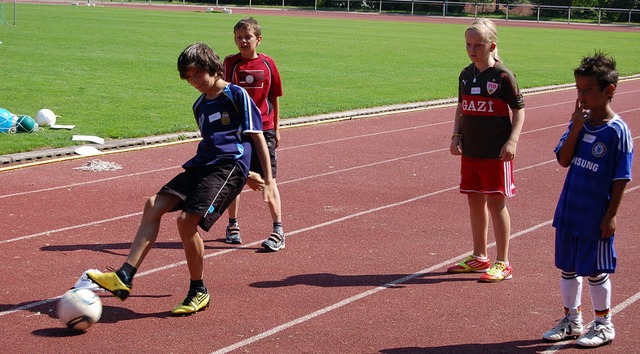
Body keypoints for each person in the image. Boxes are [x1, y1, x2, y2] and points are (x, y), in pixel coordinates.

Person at [86, 42, 275, 316]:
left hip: (227, 167)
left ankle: (198, 291)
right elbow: (214, 142)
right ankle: (124, 276)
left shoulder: (236, 95)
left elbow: (255, 136)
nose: (194, 81)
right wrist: (248, 176)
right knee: (153, 204)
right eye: (188, 77)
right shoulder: (199, 105)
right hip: (203, 165)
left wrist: (265, 178)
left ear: (211, 67)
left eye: (197, 73)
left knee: (186, 222)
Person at [542, 52, 633, 347]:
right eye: (578, 89)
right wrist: (577, 128)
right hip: (570, 210)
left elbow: (622, 177)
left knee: (595, 270)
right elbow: (564, 160)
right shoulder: (578, 123)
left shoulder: (617, 131)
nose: (581, 96)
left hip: (596, 214)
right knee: (567, 268)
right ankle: (572, 320)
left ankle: (604, 323)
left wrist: (611, 214)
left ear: (609, 91)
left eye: (588, 90)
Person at [447, 18, 525, 282]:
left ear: (492, 45)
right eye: (468, 44)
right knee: (474, 198)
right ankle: (479, 256)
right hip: (471, 149)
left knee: (495, 200)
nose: (472, 49)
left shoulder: (503, 76)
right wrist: (456, 135)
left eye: (478, 45)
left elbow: (519, 111)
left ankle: (503, 261)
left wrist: (512, 141)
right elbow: (461, 106)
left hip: (495, 151)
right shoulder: (466, 74)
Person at [222, 17, 285, 252]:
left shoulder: (268, 64)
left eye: (247, 37)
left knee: (270, 179)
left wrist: (276, 129)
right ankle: (232, 225)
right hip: (238, 131)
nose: (243, 41)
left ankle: (278, 229)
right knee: (235, 179)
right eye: (238, 37)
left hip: (264, 129)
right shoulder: (230, 63)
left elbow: (275, 97)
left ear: (258, 39)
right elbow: (224, 95)